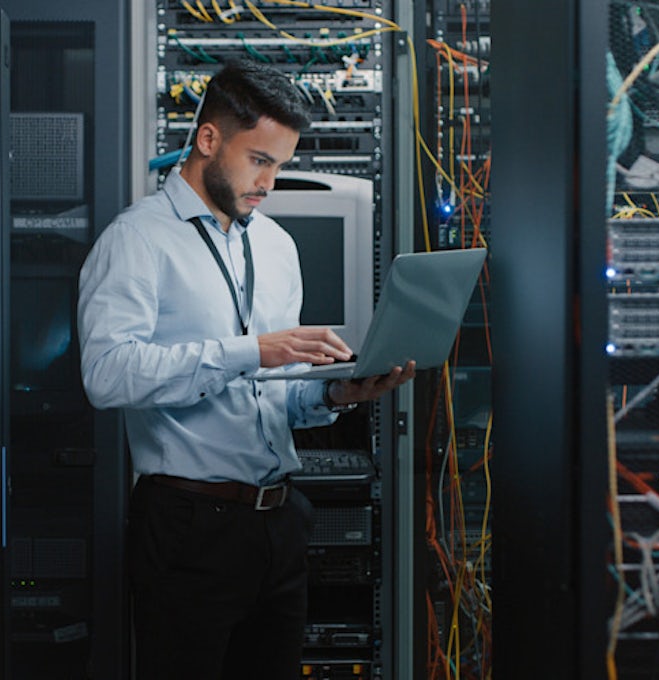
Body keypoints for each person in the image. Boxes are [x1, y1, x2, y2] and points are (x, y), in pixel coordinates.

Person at [77, 60, 414, 679]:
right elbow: (107, 373)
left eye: (280, 164)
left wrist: (339, 392)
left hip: (278, 524)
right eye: (259, 159)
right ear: (208, 139)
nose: (270, 182)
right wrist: (250, 349)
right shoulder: (135, 241)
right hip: (187, 527)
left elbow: (273, 397)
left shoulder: (276, 246)